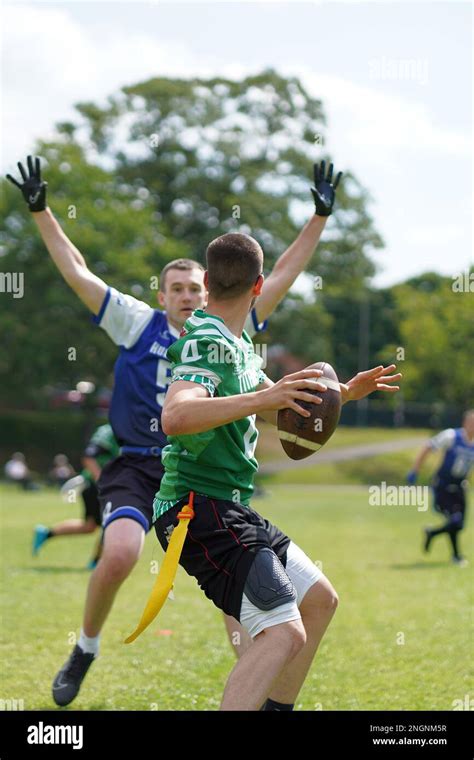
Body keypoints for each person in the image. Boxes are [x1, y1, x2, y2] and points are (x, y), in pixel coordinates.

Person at [7, 154, 342, 707]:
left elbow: (279, 273)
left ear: (207, 288)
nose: (186, 295)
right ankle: (85, 648)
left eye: (193, 287)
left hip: (213, 485)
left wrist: (318, 219)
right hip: (149, 465)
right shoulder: (142, 323)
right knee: (120, 557)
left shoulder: (235, 332)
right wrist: (42, 211)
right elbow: (77, 271)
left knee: (284, 619)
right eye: (176, 288)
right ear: (163, 295)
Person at [145, 232, 402, 710]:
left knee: (319, 600)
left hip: (230, 508)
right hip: (196, 509)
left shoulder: (238, 344)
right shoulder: (206, 341)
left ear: (206, 280)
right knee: (283, 632)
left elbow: (274, 406)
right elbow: (176, 417)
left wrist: (343, 392)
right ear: (259, 286)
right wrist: (267, 396)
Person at [33, 424, 119, 568]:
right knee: (110, 523)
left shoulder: (130, 428)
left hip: (102, 487)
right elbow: (88, 457)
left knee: (89, 526)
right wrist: (101, 481)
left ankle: (46, 533)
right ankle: (95, 563)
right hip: (97, 487)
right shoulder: (110, 431)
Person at [408, 410, 474, 566]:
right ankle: (456, 556)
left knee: (458, 524)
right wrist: (415, 470)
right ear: (464, 423)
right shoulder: (451, 436)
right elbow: (428, 447)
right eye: (471, 423)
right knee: (455, 521)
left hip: (460, 486)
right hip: (443, 485)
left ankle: (432, 533)